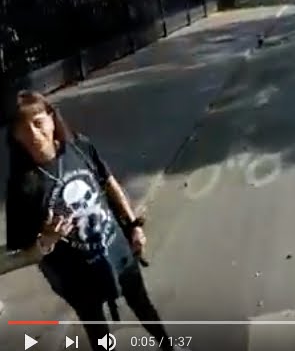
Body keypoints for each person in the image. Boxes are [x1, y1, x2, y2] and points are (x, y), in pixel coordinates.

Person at [4, 91, 186, 351]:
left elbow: (108, 182)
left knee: (143, 305)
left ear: (52, 119)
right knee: (98, 331)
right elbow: (23, 251)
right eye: (23, 128)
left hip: (117, 253)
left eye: (38, 122)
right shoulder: (22, 187)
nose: (33, 134)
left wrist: (133, 225)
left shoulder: (78, 147)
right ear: (15, 137)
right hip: (76, 279)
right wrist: (46, 240)